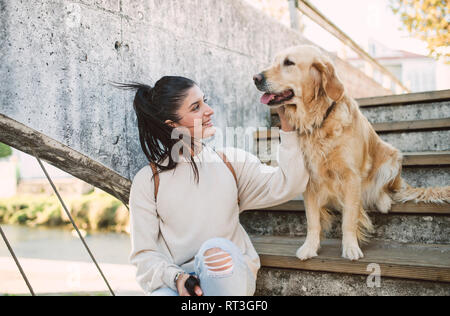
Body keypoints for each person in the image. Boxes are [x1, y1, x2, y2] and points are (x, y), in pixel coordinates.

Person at [121, 76, 309, 296]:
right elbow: (145, 255)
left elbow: (289, 184)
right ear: (173, 126)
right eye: (196, 107)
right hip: (180, 283)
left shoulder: (230, 163)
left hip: (230, 277)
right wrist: (177, 278)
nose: (209, 110)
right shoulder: (148, 181)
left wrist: (288, 130)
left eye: (205, 101)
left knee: (215, 251)